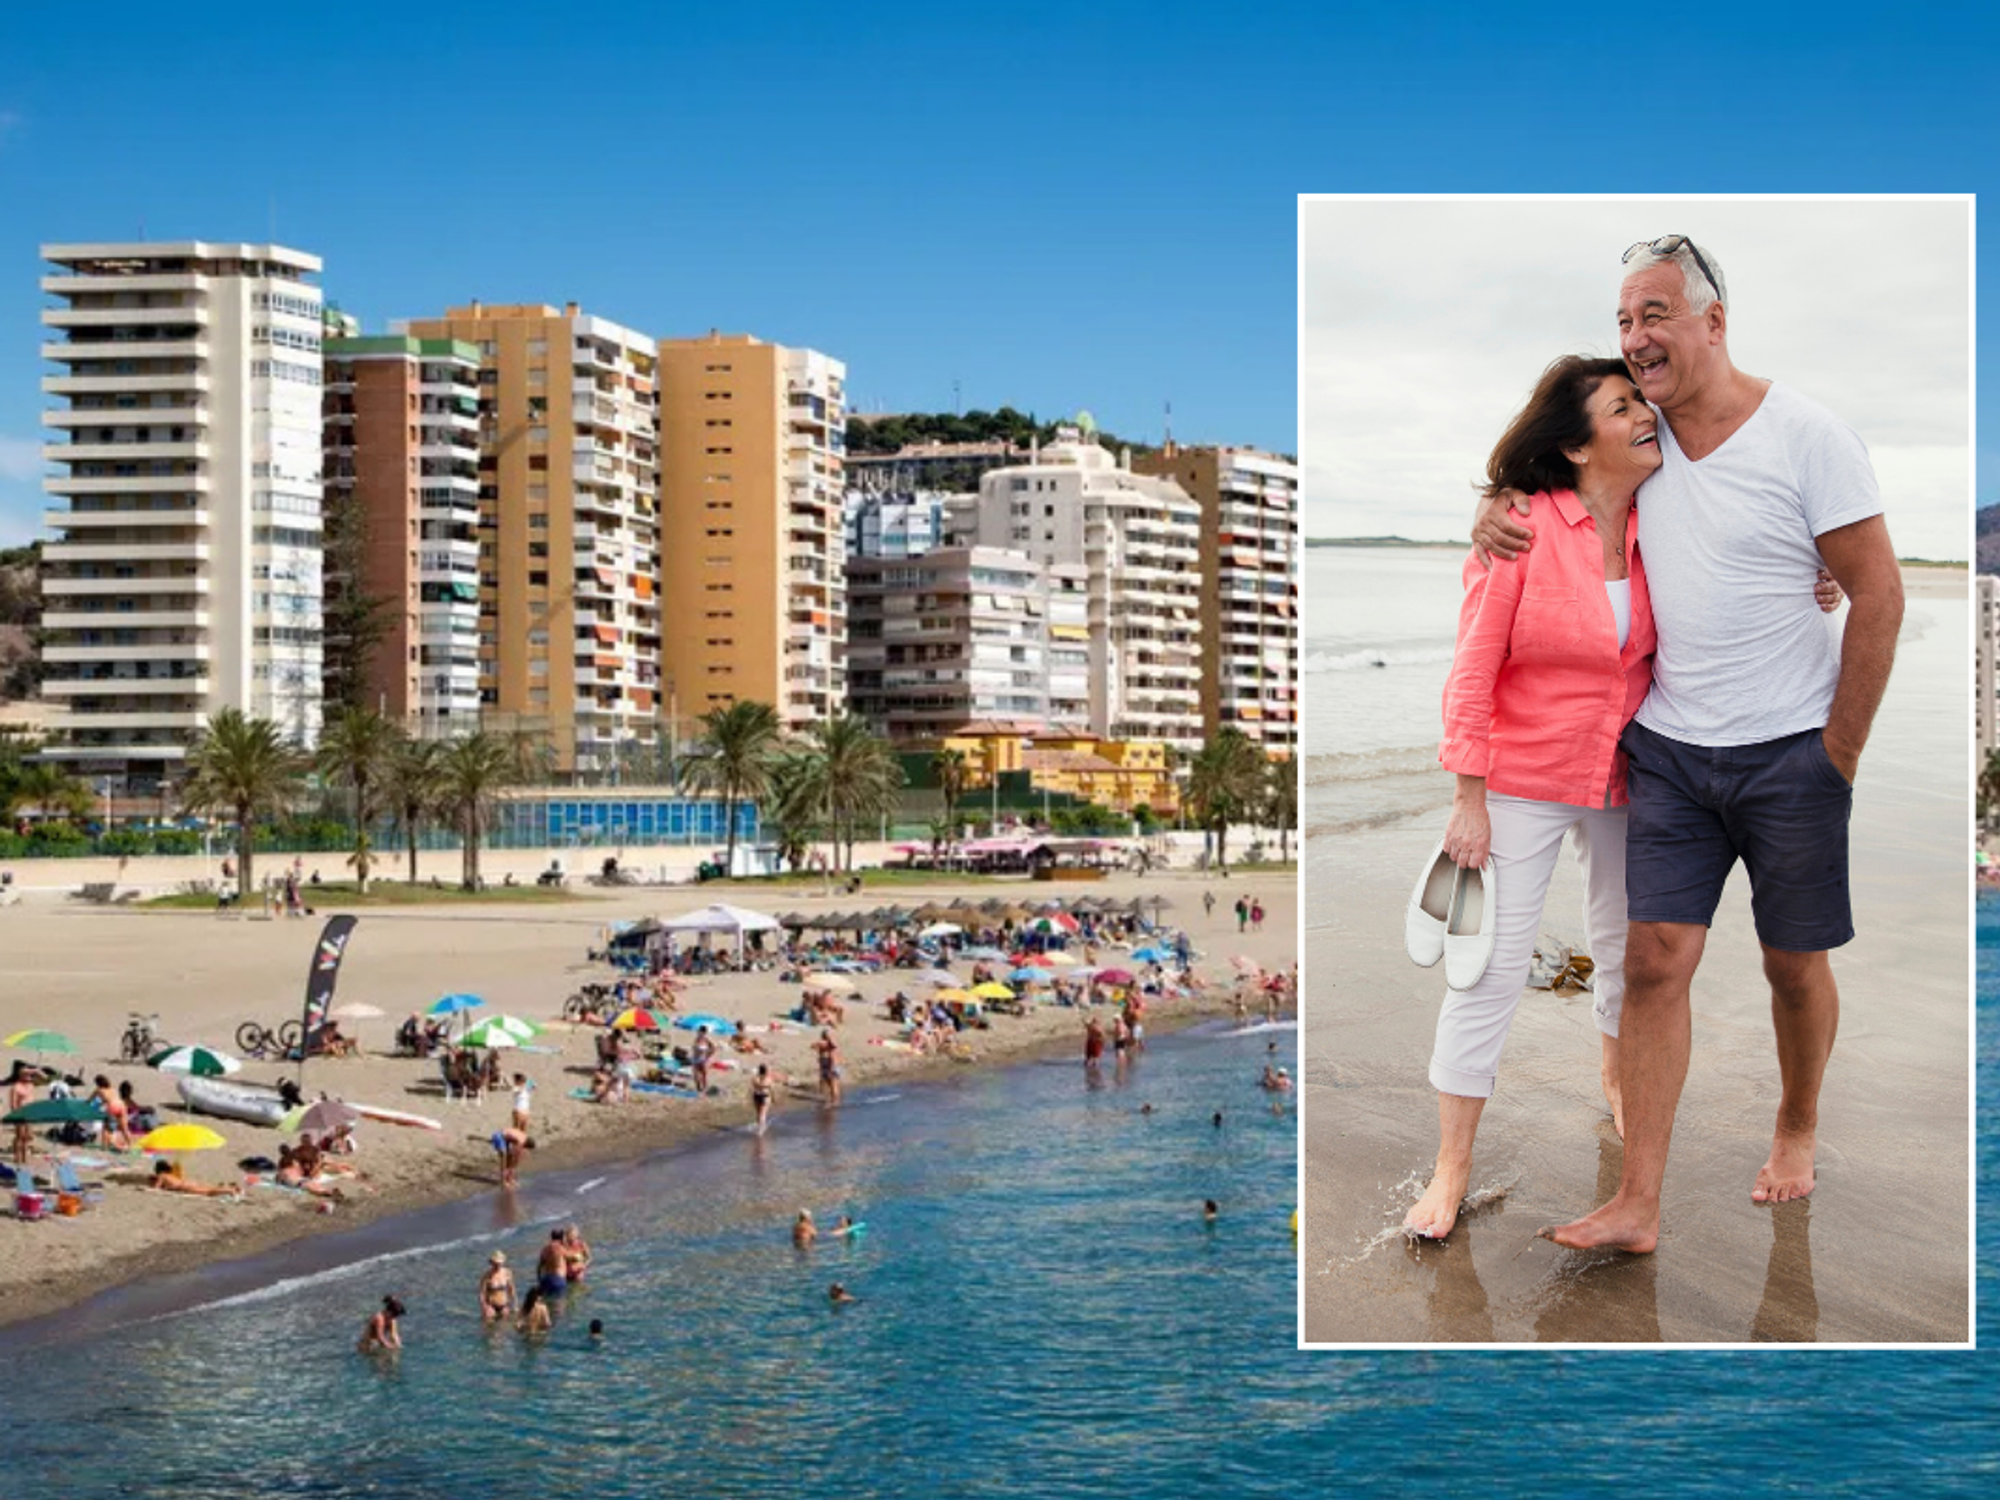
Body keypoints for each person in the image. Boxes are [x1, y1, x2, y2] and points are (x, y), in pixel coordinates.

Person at [1475, 239, 1902, 1252]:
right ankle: (1637, 1204)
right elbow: (1547, 472)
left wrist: (1835, 754)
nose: (1635, 340)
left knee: (1790, 967)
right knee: (1652, 963)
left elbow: (1876, 592)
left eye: (1654, 315)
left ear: (1713, 321)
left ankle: (1794, 1125)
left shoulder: (1808, 436)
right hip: (1665, 747)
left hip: (1791, 752)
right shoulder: (1639, 436)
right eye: (1624, 320)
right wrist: (1491, 512)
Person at [150, 1159, 241, 1199]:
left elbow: (156, 1188)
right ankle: (231, 1188)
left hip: (185, 1187)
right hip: (188, 1182)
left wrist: (153, 1183)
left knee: (209, 1192)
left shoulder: (161, 1175)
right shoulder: (171, 1174)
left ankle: (230, 1190)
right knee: (209, 1189)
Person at [9, 1060, 39, 1166]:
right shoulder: (15, 1087)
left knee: (28, 1136)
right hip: (20, 1114)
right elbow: (13, 1105)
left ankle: (24, 1157)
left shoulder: (31, 1084)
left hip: (30, 1114)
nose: (28, 1073)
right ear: (19, 1072)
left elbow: (45, 1078)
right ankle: (18, 1158)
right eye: (25, 1071)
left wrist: (36, 1070)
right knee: (20, 1137)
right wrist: (16, 1117)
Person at [479, 1251, 516, 1324]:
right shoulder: (486, 1276)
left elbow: (511, 1289)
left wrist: (514, 1304)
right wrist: (485, 1307)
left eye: (499, 1263)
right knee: (490, 1329)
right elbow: (482, 1294)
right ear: (492, 1263)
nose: (497, 1265)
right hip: (490, 1306)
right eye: (495, 1263)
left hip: (504, 1305)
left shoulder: (507, 1273)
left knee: (504, 1328)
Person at [536, 1229, 569, 1299]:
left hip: (545, 1280)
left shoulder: (545, 1249)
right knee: (559, 1305)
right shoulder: (560, 1248)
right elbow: (573, 1258)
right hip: (558, 1280)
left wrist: (540, 1281)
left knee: (546, 1304)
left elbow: (539, 1268)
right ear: (561, 1238)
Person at [813, 1030, 842, 1107]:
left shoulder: (831, 1045)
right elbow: (813, 1046)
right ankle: (828, 1100)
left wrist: (828, 1040)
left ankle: (835, 1102)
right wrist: (819, 1044)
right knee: (824, 1083)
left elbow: (834, 1048)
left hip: (832, 1066)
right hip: (825, 1066)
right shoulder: (821, 1044)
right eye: (826, 1035)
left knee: (833, 1084)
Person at [690, 1026, 716, 1096]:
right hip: (696, 1059)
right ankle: (699, 1088)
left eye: (702, 1032)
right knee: (696, 1076)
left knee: (704, 1074)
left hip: (702, 1059)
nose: (700, 1033)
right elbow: (694, 1048)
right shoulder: (697, 1039)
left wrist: (708, 1055)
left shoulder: (706, 1039)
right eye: (700, 1032)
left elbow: (713, 1048)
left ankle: (704, 1088)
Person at [751, 1063, 776, 1135]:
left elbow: (752, 1088)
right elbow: (772, 1089)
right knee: (763, 1114)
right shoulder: (768, 1079)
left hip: (756, 1095)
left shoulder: (755, 1078)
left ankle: (759, 1127)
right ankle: (760, 1131)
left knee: (758, 1113)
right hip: (765, 1096)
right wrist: (774, 1098)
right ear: (766, 1071)